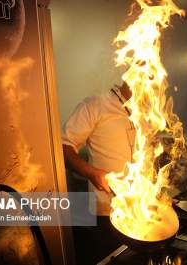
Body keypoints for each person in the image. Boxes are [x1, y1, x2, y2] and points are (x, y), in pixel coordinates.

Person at [61, 82, 134, 264]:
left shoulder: (148, 111)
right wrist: (91, 172)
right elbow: (63, 147)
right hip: (107, 213)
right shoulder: (95, 105)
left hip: (139, 211)